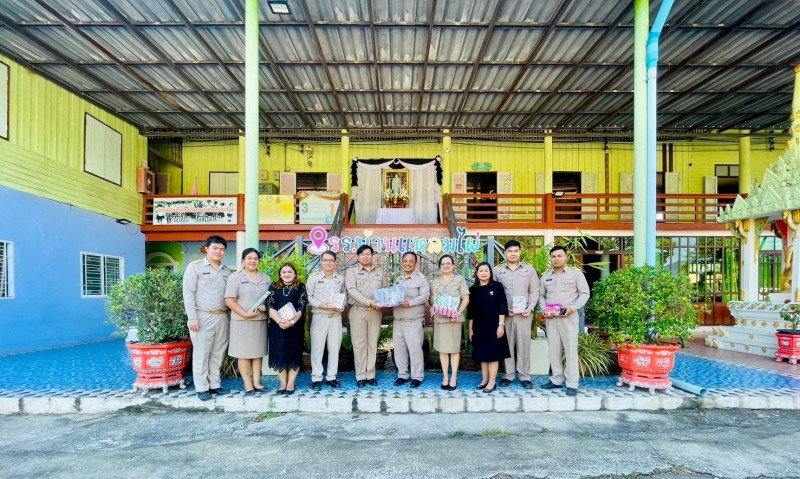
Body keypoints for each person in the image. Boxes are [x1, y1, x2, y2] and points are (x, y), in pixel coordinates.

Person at [183, 235, 232, 401]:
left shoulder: (227, 271)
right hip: (202, 317)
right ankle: (202, 387)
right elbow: (188, 293)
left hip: (222, 316)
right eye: (215, 248)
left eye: (222, 249)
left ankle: (214, 384)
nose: (218, 251)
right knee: (201, 353)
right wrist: (192, 317)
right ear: (207, 248)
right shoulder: (195, 267)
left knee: (218, 353)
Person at [539, 246, 590, 397]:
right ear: (550, 258)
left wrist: (572, 308)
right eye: (553, 256)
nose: (556, 259)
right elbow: (541, 295)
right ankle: (557, 379)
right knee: (554, 350)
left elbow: (585, 294)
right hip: (551, 319)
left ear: (566, 257)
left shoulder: (576, 274)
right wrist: (544, 308)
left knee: (570, 350)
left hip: (569, 317)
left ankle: (572, 383)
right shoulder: (545, 277)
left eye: (559, 256)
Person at [494, 239, 540, 389]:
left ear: (520, 252)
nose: (512, 254)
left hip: (524, 314)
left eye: (515, 251)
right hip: (505, 315)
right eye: (509, 251)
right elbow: (494, 293)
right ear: (505, 253)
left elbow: (534, 291)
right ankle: (508, 375)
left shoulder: (529, 270)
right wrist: (502, 309)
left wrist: (530, 307)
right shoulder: (498, 271)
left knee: (524, 345)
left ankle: (525, 376)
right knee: (506, 344)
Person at [224, 248, 270, 396]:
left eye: (255, 258)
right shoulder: (235, 277)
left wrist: (266, 307)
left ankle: (257, 382)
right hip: (242, 321)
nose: (252, 261)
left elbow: (270, 299)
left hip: (260, 321)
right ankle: (248, 384)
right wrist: (245, 314)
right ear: (243, 260)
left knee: (257, 352)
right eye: (249, 258)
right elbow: (229, 300)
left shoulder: (266, 278)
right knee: (243, 354)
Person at [344, 245, 387, 388]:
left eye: (368, 254)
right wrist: (369, 302)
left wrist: (385, 300)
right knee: (359, 344)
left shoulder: (379, 272)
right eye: (362, 254)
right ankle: (361, 375)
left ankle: (371, 375)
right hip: (358, 311)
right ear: (358, 257)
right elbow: (351, 290)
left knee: (372, 344)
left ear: (372, 256)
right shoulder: (351, 271)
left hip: (375, 312)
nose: (365, 256)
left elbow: (385, 289)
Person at [467, 262, 510, 393]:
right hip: (479, 326)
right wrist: (470, 329)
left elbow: (502, 306)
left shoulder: (497, 286)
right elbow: (471, 311)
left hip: (494, 325)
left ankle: (492, 381)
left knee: (493, 354)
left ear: (490, 273)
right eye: (481, 271)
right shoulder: (472, 289)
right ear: (476, 273)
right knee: (482, 354)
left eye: (486, 270)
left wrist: (501, 325)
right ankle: (485, 379)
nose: (484, 273)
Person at [307, 250, 346, 391]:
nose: (328, 263)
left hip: (335, 318)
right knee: (317, 348)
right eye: (325, 260)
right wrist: (320, 305)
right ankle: (316, 377)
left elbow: (344, 295)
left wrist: (342, 305)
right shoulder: (314, 278)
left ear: (335, 263)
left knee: (334, 348)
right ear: (321, 262)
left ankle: (331, 377)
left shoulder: (340, 279)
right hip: (320, 316)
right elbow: (309, 296)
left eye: (331, 260)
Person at [266, 263, 308, 395]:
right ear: (280, 274)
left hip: (295, 326)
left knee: (294, 353)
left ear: (294, 274)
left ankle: (291, 383)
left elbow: (302, 306)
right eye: (284, 272)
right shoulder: (273, 286)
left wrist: (291, 322)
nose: (287, 274)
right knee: (280, 353)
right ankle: (283, 383)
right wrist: (279, 321)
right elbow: (269, 305)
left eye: (290, 272)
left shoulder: (301, 287)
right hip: (277, 326)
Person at [429, 254, 469, 390]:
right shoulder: (435, 281)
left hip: (454, 319)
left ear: (453, 266)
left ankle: (454, 376)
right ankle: (445, 376)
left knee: (454, 349)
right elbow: (432, 302)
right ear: (439, 267)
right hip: (440, 319)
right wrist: (435, 294)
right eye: (442, 264)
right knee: (443, 350)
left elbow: (466, 298)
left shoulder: (459, 279)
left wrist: (458, 313)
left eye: (448, 263)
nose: (445, 266)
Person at [392, 251, 431, 388]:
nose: (407, 263)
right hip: (398, 321)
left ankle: (417, 376)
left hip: (413, 321)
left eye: (411, 261)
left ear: (416, 264)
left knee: (415, 350)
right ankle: (402, 375)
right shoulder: (398, 279)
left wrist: (410, 302)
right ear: (402, 262)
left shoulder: (421, 280)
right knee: (399, 349)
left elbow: (425, 296)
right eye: (405, 261)